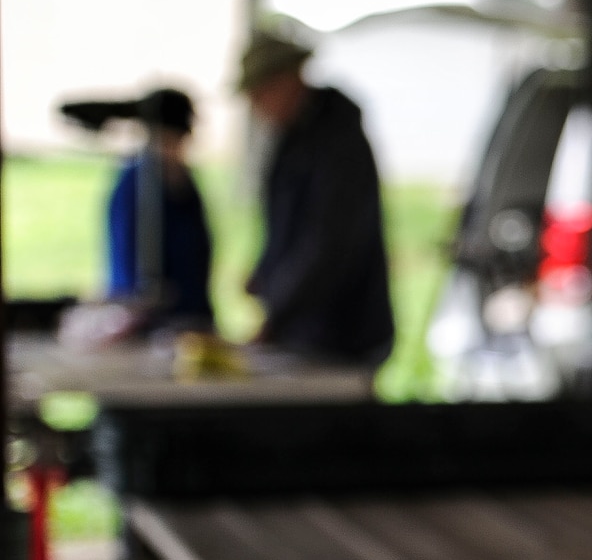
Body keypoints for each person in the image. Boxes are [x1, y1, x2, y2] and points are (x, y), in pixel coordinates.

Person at [238, 33, 395, 364]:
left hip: (342, 334)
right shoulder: (292, 138)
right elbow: (285, 224)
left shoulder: (337, 141)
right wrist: (266, 272)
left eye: (260, 92)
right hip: (305, 331)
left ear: (287, 79)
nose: (256, 104)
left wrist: (278, 311)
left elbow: (328, 244)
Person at [105, 87, 214, 331]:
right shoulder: (136, 185)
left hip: (190, 315)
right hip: (144, 321)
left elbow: (200, 251)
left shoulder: (186, 184)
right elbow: (125, 255)